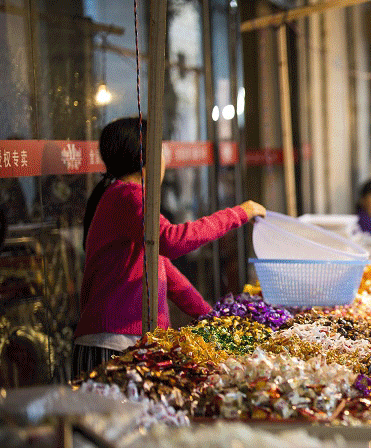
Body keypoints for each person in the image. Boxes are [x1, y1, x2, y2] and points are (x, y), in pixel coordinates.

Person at [72, 117, 266, 376]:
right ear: (147, 156)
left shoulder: (124, 197)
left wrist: (211, 318)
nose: (165, 159)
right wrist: (240, 213)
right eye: (161, 151)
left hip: (125, 341)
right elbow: (172, 240)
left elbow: (166, 272)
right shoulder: (128, 196)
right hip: (113, 344)